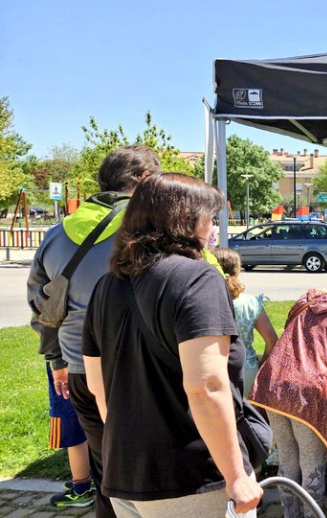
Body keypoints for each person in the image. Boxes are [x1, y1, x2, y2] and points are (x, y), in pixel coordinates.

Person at [81, 172, 263, 517]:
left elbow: (97, 385)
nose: (212, 231)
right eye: (210, 219)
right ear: (186, 220)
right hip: (191, 478)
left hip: (125, 474)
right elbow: (206, 385)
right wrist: (236, 474)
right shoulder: (199, 277)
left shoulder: (106, 286)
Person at [27, 145, 161, 516]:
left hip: (78, 371)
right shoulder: (148, 228)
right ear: (146, 181)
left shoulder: (56, 233)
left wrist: (56, 360)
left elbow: (42, 306)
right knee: (146, 471)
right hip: (136, 371)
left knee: (104, 468)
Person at [250, 261, 327, 518]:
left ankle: (290, 515)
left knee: (287, 459)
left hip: (273, 382)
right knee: (312, 466)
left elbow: (288, 331)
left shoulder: (307, 297)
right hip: (310, 393)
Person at [212, 247, 279, 394]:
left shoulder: (206, 302)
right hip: (246, 369)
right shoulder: (251, 303)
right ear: (238, 270)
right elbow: (273, 341)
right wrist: (260, 362)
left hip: (214, 369)